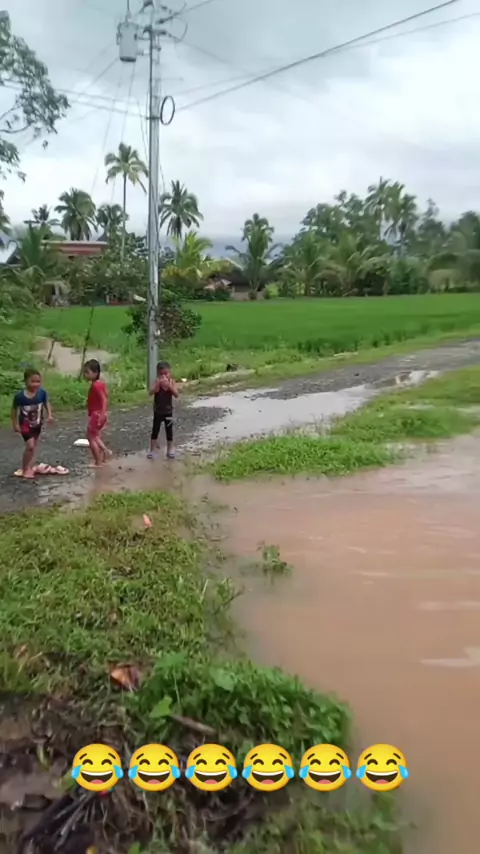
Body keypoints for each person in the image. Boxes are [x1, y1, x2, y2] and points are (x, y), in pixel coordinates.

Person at [12, 368, 53, 479]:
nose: (36, 384)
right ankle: (25, 468)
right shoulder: (20, 396)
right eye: (33, 381)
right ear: (25, 381)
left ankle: (30, 466)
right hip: (25, 425)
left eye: (38, 381)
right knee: (30, 446)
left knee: (33, 446)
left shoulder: (42, 393)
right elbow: (14, 410)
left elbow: (46, 403)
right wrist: (15, 424)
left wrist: (50, 415)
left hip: (37, 424)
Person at [148, 360, 178, 459]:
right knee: (155, 430)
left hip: (168, 411)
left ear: (170, 373)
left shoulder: (172, 382)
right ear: (158, 374)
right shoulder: (156, 382)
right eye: (161, 374)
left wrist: (169, 386)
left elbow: (176, 394)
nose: (164, 376)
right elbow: (150, 393)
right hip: (158, 411)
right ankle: (152, 450)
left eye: (166, 373)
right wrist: (157, 386)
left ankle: (170, 449)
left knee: (169, 431)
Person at [84, 358, 111, 467]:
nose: (85, 375)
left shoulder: (95, 385)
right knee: (95, 436)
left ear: (95, 373)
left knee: (90, 437)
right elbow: (106, 396)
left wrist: (102, 413)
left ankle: (98, 462)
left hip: (97, 414)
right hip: (101, 414)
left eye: (87, 372)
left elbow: (104, 399)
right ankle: (105, 452)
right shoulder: (101, 384)